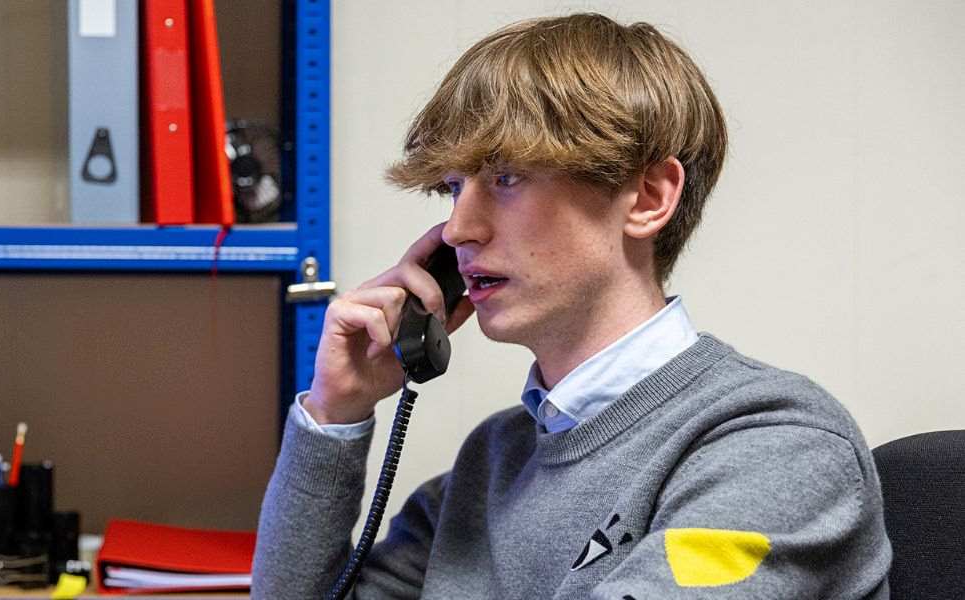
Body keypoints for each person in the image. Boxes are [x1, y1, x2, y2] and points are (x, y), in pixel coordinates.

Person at [252, 13, 889, 599]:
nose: (456, 231)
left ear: (646, 197)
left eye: (506, 178)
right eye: (452, 189)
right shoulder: (492, 464)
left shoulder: (778, 446)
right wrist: (336, 415)